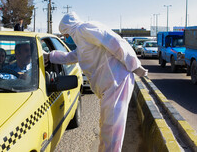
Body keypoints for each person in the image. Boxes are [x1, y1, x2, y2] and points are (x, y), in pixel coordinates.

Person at [43, 12, 148, 152]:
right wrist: (50, 56)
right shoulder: (82, 44)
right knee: (107, 127)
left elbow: (114, 42)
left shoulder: (83, 29)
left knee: (112, 130)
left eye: (65, 35)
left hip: (117, 81)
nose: (66, 39)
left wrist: (133, 64)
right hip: (110, 86)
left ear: (68, 29)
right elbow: (70, 57)